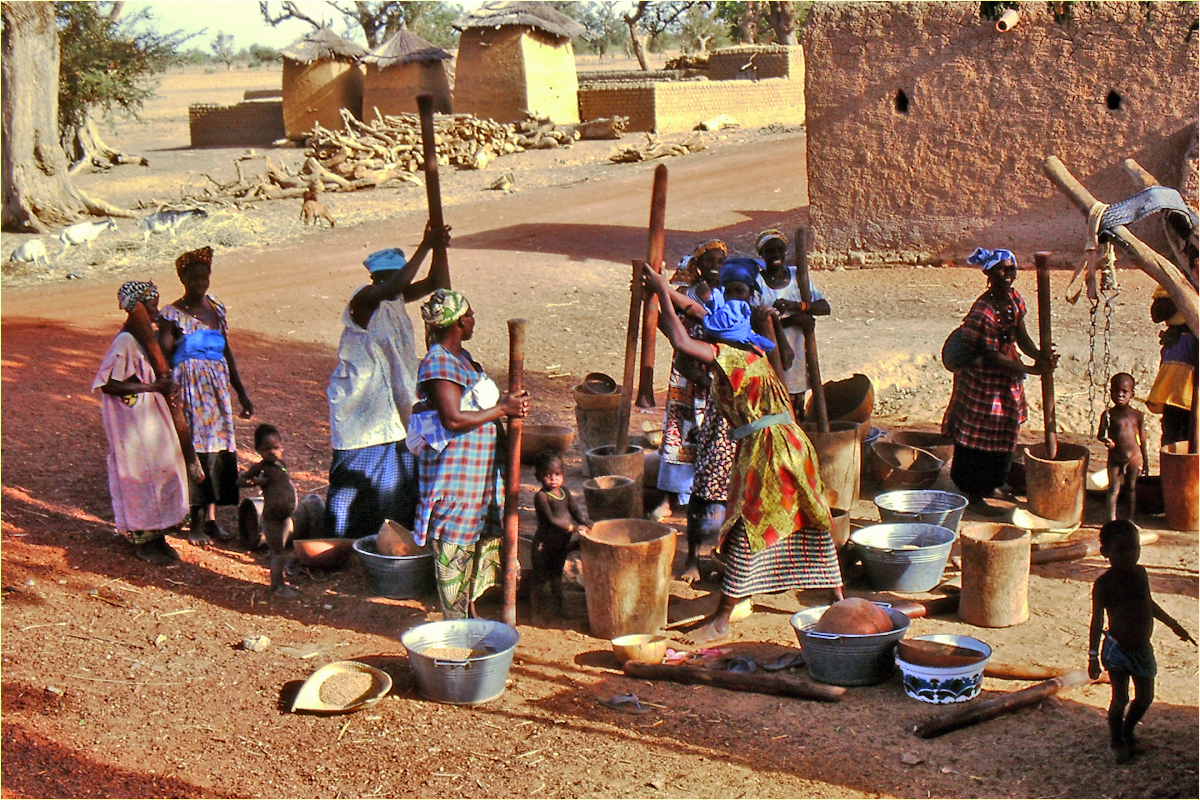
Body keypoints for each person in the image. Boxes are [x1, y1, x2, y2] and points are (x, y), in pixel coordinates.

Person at [643, 264, 842, 644]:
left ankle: (721, 618)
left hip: (768, 451)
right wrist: (662, 289)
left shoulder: (731, 359)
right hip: (793, 445)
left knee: (746, 529)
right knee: (811, 517)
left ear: (720, 340)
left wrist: (660, 295)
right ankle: (838, 599)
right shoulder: (750, 348)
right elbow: (696, 314)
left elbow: (682, 341)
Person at [408, 289, 530, 619]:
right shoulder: (439, 362)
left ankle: (468, 614)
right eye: (471, 314)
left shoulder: (464, 358)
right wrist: (504, 407)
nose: (474, 319)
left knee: (476, 543)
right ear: (461, 322)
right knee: (455, 545)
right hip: (456, 478)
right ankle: (454, 624)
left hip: (478, 477)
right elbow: (453, 418)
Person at [324, 224, 450, 539]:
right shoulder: (365, 299)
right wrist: (425, 245)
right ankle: (338, 541)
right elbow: (397, 284)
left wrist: (437, 249)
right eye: (387, 278)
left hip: (391, 407)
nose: (393, 283)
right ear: (375, 279)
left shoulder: (394, 298)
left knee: (396, 481)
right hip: (359, 408)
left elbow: (437, 283)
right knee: (351, 483)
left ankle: (386, 539)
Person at [941, 248, 1056, 516]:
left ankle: (992, 484)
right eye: (1002, 269)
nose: (1009, 274)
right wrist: (1031, 368)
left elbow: (1021, 336)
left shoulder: (1014, 299)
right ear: (990, 274)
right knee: (979, 434)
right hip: (983, 379)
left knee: (1006, 428)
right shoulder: (983, 310)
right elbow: (992, 356)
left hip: (1007, 373)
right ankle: (974, 491)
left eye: (1011, 269)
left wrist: (1040, 357)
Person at [159, 246, 253, 546]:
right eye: (193, 277)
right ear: (182, 278)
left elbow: (227, 351)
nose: (200, 281)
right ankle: (195, 523)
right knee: (196, 449)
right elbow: (162, 354)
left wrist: (241, 393)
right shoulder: (171, 315)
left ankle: (211, 520)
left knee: (217, 449)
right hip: (189, 389)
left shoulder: (217, 309)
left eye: (204, 276)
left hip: (217, 390)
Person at [93, 281, 189, 566]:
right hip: (131, 423)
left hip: (147, 418)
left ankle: (158, 536)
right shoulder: (125, 342)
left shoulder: (141, 339)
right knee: (139, 476)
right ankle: (144, 540)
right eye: (151, 305)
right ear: (137, 308)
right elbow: (108, 384)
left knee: (158, 471)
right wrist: (152, 388)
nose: (155, 310)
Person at [1088, 520, 1195, 763]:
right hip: (1116, 649)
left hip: (1141, 649)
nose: (1129, 555)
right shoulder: (1103, 584)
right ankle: (1117, 742)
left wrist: (1174, 625)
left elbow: (1149, 604)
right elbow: (1096, 622)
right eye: (1120, 550)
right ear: (1105, 552)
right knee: (1120, 698)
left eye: (1134, 548)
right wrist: (1093, 657)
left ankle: (1127, 730)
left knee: (1145, 696)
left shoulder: (1140, 574)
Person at [655, 240, 728, 512]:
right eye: (710, 261)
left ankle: (709, 492)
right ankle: (670, 494)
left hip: (714, 366)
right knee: (679, 426)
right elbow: (667, 322)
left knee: (713, 430)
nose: (716, 267)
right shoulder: (686, 293)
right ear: (697, 266)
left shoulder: (728, 294)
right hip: (686, 369)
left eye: (720, 262)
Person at [754, 229, 831, 416]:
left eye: (780, 250)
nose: (776, 255)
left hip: (798, 360)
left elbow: (823, 307)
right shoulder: (758, 283)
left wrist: (797, 306)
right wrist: (793, 320)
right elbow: (756, 325)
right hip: (772, 360)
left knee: (797, 414)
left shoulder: (798, 276)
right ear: (761, 254)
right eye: (770, 251)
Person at [237, 424, 298, 598]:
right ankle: (277, 586)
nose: (272, 452)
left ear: (282, 448)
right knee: (277, 553)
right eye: (266, 449)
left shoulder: (281, 464)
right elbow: (239, 482)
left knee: (283, 551)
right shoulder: (260, 468)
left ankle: (280, 583)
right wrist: (255, 482)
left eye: (276, 448)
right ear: (258, 450)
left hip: (285, 516)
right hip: (272, 517)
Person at [530, 450, 590, 621]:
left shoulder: (565, 492)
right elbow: (551, 520)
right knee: (540, 579)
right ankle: (536, 614)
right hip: (544, 545)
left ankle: (560, 608)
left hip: (560, 545)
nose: (553, 479)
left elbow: (574, 510)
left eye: (557, 474)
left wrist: (584, 522)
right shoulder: (541, 497)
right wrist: (573, 528)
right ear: (538, 476)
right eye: (547, 475)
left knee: (557, 577)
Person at [1145, 289, 1197, 448]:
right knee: (1176, 425)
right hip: (1181, 358)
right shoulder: (1174, 280)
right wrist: (1184, 291)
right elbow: (1157, 313)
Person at [1097, 373, 1147, 522]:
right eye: (1116, 391)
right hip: (1115, 457)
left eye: (1124, 392)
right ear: (1110, 392)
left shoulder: (1137, 415)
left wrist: (1146, 461)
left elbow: (1142, 439)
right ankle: (1111, 519)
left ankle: (1130, 520)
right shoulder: (1108, 415)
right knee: (1113, 489)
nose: (1120, 395)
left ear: (1132, 394)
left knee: (1131, 488)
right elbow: (1100, 435)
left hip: (1133, 457)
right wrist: (1106, 440)